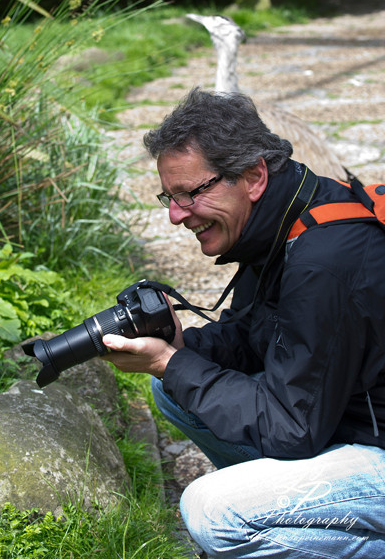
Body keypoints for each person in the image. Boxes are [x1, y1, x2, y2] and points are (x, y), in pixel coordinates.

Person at [102, 87, 385, 558]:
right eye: (168, 197)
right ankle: (278, 509)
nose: (175, 216)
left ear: (253, 176)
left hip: (372, 444)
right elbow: (256, 335)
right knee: (172, 385)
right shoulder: (282, 217)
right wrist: (176, 344)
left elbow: (294, 426)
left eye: (189, 194)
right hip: (343, 416)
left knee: (213, 512)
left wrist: (172, 363)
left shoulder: (324, 261)